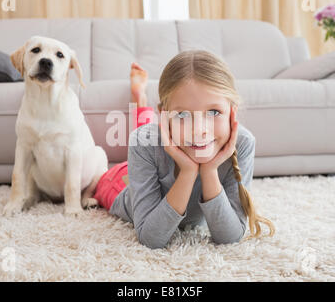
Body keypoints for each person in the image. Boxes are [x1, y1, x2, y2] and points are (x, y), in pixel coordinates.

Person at [93, 51, 275, 249]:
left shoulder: (242, 143)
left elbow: (229, 236)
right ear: (164, 115)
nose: (199, 130)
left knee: (153, 136)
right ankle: (140, 99)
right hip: (117, 182)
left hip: (163, 146)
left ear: (232, 112)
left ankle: (142, 100)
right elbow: (151, 238)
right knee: (140, 142)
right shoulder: (142, 142)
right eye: (183, 115)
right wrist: (188, 171)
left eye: (213, 112)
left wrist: (209, 170)